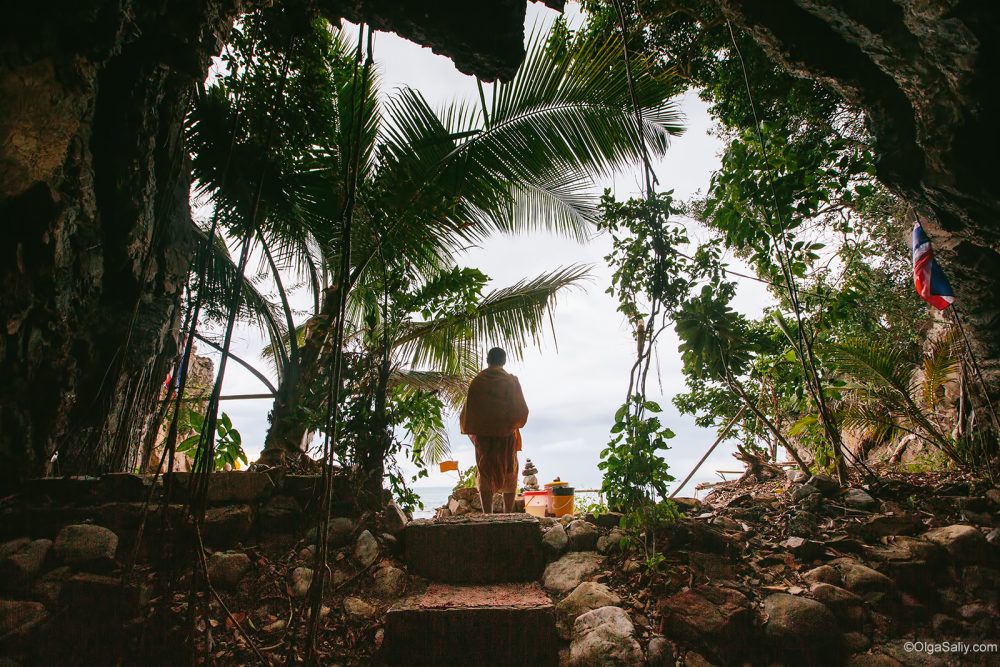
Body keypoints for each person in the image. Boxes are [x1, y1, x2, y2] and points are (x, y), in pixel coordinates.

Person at [460, 347, 529, 513]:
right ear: (503, 361)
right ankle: (508, 514)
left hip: (484, 438)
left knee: (484, 471)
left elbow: (469, 411)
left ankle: (487, 514)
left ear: (488, 360)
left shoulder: (477, 381)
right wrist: (508, 424)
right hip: (507, 436)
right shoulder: (511, 381)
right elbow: (522, 411)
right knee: (510, 470)